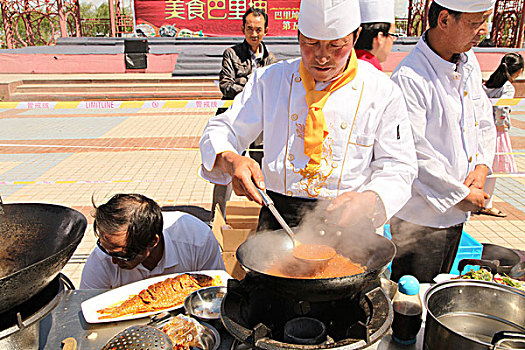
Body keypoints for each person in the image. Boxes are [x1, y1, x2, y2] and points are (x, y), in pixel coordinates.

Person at [200, 0, 417, 232]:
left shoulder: (382, 90)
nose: (322, 57)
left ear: (355, 37)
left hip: (351, 224)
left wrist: (373, 198)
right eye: (311, 43)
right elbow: (222, 130)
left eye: (336, 45)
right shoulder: (270, 81)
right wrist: (232, 160)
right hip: (279, 218)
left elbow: (398, 165)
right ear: (298, 35)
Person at [390, 0, 497, 282]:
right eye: (475, 23)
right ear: (445, 19)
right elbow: (414, 152)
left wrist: (482, 166)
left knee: (440, 285)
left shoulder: (467, 60)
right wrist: (460, 194)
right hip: (421, 219)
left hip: (458, 212)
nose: (483, 31)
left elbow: (483, 117)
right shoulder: (410, 76)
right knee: (414, 294)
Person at [211, 7, 278, 223]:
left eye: (258, 29)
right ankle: (216, 216)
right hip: (233, 121)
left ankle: (267, 215)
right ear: (243, 29)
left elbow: (271, 91)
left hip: (260, 124)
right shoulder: (232, 54)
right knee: (227, 169)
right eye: (249, 28)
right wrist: (253, 83)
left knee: (262, 170)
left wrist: (247, 83)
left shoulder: (272, 60)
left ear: (266, 30)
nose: (254, 33)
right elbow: (226, 86)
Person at [80, 193, 225, 289]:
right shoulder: (102, 258)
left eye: (123, 255)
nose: (113, 261)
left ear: (152, 242)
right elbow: (86, 306)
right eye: (105, 249)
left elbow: (215, 289)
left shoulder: (197, 239)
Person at [479, 52, 523, 217]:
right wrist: (500, 124)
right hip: (496, 131)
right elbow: (502, 108)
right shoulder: (508, 87)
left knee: (481, 165)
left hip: (481, 129)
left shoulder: (488, 83)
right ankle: (487, 203)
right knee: (494, 168)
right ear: (518, 71)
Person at [354, 0, 399, 71]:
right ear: (380, 37)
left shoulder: (342, 68)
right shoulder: (376, 77)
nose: (392, 42)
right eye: (392, 35)